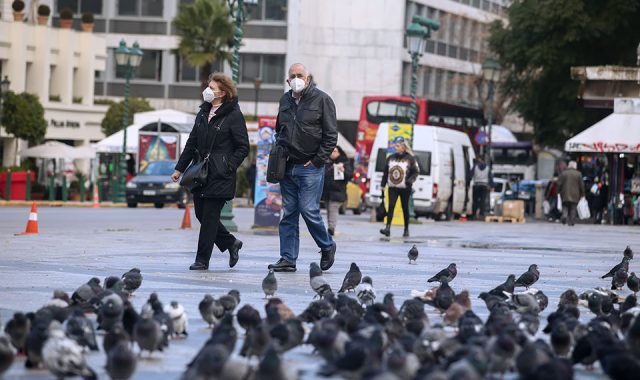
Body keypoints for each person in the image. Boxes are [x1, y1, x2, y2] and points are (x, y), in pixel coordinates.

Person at [171, 73, 249, 270]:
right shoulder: (203, 113)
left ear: (222, 93)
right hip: (201, 173)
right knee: (200, 214)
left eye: (212, 87)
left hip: (221, 174)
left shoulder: (233, 115)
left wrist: (228, 166)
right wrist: (179, 168)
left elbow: (243, 147)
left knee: (210, 218)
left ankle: (202, 260)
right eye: (208, 86)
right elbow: (192, 142)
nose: (207, 90)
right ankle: (230, 243)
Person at [268, 63, 338, 273]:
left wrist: (318, 160)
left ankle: (327, 245)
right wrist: (280, 151)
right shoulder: (285, 100)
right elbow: (279, 129)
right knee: (288, 213)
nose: (296, 78)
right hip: (287, 166)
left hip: (310, 167)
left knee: (309, 210)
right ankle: (288, 258)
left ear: (307, 79)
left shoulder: (322, 99)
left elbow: (331, 135)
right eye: (293, 76)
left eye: (300, 75)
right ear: (288, 80)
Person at [379, 137, 418, 238]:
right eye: (395, 145)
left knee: (405, 208)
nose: (395, 147)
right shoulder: (391, 157)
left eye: (398, 146)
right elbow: (386, 172)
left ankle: (406, 229)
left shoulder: (410, 158)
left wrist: (409, 181)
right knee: (391, 206)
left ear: (404, 148)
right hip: (392, 187)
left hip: (405, 188)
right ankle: (387, 228)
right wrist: (383, 185)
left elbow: (416, 172)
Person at [322, 146, 353, 236]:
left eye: (335, 151)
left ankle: (331, 227)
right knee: (328, 209)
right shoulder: (327, 161)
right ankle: (330, 227)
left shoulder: (344, 162)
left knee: (333, 208)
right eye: (332, 151)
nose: (333, 153)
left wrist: (343, 170)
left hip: (338, 190)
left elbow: (350, 175)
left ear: (339, 152)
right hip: (327, 190)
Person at [557, 160, 585, 226]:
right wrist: (583, 194)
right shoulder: (578, 174)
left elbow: (559, 183)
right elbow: (581, 185)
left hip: (564, 193)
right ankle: (572, 221)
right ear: (575, 166)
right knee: (573, 208)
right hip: (575, 194)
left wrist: (558, 192)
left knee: (565, 206)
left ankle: (564, 216)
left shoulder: (564, 173)